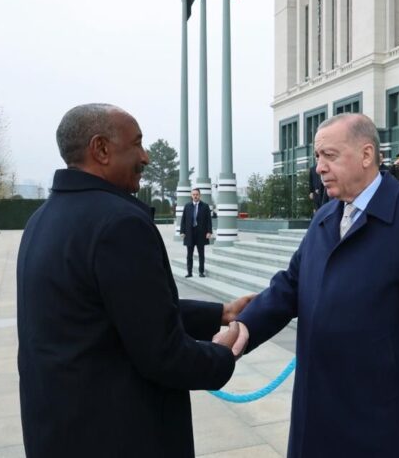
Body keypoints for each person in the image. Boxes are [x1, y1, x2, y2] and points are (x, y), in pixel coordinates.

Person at [16, 103, 251, 458]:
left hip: (59, 430)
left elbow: (122, 311)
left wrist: (219, 313)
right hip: (117, 435)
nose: (145, 157)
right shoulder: (119, 223)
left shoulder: (42, 218)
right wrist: (222, 355)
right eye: (137, 144)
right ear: (101, 149)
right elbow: (162, 353)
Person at [234, 113, 399, 458]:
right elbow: (290, 285)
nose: (320, 167)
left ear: (366, 155)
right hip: (317, 410)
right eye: (317, 157)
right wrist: (245, 326)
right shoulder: (325, 216)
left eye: (330, 156)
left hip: (379, 415)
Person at [180, 188, 213, 277]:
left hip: (201, 234)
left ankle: (201, 272)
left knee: (201, 254)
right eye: (193, 194)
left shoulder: (205, 206)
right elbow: (183, 220)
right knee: (189, 255)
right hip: (189, 233)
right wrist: (182, 231)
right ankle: (189, 272)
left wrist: (209, 231)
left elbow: (208, 220)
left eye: (197, 194)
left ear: (200, 195)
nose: (195, 196)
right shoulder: (187, 206)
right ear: (191, 195)